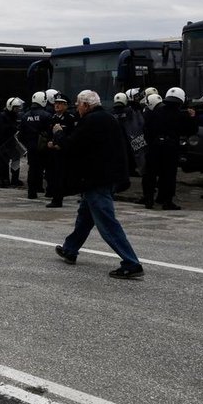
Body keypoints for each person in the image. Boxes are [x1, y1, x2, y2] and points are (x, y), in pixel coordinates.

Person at [52, 90, 145, 279]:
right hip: (107, 176)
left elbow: (72, 146)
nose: (76, 108)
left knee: (107, 222)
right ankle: (70, 249)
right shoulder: (108, 118)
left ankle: (131, 262)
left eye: (78, 105)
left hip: (96, 178)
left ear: (86, 105)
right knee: (85, 216)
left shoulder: (91, 121)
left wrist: (59, 133)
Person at [142, 87, 197, 210]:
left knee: (150, 173)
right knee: (168, 175)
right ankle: (167, 201)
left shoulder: (154, 112)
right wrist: (192, 118)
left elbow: (146, 129)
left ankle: (149, 199)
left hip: (154, 146)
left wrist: (151, 143)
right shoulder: (182, 115)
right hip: (171, 147)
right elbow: (190, 131)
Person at [44, 92, 76, 208]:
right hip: (53, 152)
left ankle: (58, 198)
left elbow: (72, 136)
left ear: (66, 106)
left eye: (60, 104)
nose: (57, 106)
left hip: (64, 152)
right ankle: (54, 195)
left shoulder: (70, 119)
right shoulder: (52, 118)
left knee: (61, 176)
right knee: (52, 175)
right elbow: (48, 134)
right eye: (56, 103)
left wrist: (61, 145)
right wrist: (49, 142)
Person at [19, 91, 53, 199]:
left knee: (33, 169)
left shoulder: (25, 116)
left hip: (31, 147)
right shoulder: (47, 115)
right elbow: (50, 132)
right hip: (45, 147)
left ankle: (32, 192)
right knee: (48, 169)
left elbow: (21, 135)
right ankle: (49, 191)